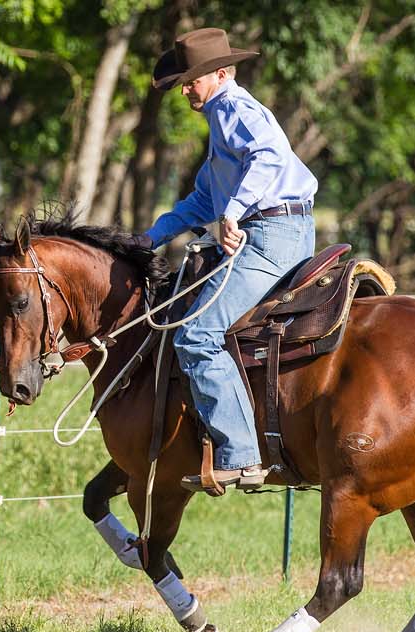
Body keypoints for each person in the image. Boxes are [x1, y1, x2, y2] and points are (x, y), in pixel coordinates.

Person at [135, 28, 319, 493]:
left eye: (192, 80)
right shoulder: (221, 121)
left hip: (269, 234)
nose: (184, 88)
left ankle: (240, 456)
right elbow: (201, 200)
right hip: (280, 228)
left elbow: (269, 156)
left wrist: (234, 214)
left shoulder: (233, 107)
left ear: (220, 73)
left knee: (196, 336)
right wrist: (150, 238)